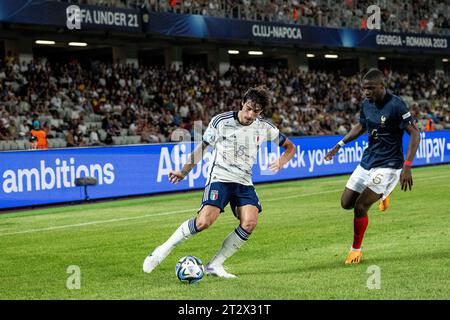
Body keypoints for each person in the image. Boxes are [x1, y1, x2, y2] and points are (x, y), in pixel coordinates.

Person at [143, 86, 296, 278]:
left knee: (249, 222)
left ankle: (215, 265)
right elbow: (202, 148)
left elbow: (290, 147)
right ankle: (162, 250)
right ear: (242, 103)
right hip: (220, 178)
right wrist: (183, 172)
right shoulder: (221, 121)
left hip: (244, 182)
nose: (250, 114)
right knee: (204, 222)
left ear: (261, 112)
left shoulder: (265, 127)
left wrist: (282, 161)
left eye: (255, 111)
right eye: (248, 108)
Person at [325, 68, 421, 265]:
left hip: (389, 164)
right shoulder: (366, 104)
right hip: (368, 161)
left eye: (370, 88)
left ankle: (355, 250)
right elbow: (361, 126)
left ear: (382, 86)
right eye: (364, 89)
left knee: (360, 206)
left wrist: (407, 166)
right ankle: (384, 194)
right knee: (346, 203)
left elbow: (415, 133)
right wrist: (339, 145)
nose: (367, 92)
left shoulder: (396, 105)